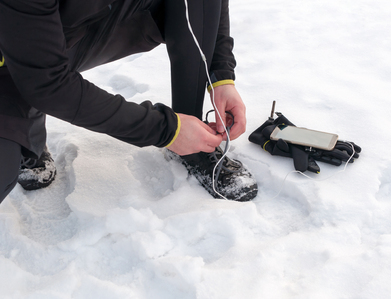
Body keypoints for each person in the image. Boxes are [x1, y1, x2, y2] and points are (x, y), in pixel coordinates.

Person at [0, 0, 258, 203]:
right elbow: (47, 82)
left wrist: (220, 76)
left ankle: (193, 144)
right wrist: (166, 129)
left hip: (68, 30)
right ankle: (25, 137)